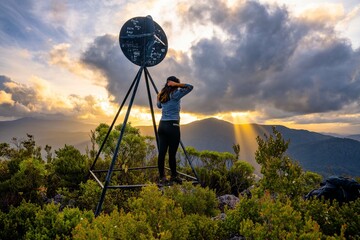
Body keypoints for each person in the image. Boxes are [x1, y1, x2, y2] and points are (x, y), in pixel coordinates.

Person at [157, 76, 193, 184]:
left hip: (162, 125)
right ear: (173, 84)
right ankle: (173, 176)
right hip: (173, 126)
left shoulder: (162, 95)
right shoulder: (175, 95)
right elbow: (190, 87)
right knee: (172, 154)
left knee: (162, 153)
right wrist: (176, 85)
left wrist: (159, 95)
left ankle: (162, 177)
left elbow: (159, 106)